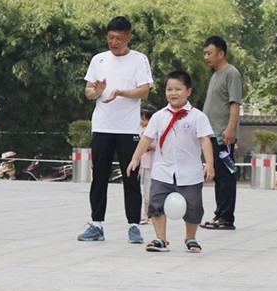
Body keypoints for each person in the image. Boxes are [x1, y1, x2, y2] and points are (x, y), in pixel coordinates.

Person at [78, 16, 153, 243]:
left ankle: (134, 226)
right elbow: (88, 92)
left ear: (129, 37)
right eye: (110, 37)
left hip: (127, 128)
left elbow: (144, 91)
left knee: (130, 176)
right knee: (99, 176)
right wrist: (97, 91)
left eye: (119, 38)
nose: (114, 42)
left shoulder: (139, 60)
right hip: (102, 126)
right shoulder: (98, 60)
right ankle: (97, 225)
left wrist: (121, 92)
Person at [126, 71, 215, 253]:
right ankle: (160, 239)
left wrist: (210, 164)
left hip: (190, 172)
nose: (173, 93)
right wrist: (135, 158)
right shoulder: (159, 116)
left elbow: (205, 140)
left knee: (193, 206)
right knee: (156, 204)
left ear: (188, 91)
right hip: (162, 170)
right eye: (169, 89)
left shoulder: (198, 116)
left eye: (178, 89)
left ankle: (191, 238)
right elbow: (146, 138)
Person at [200, 36, 242, 231]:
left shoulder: (231, 73)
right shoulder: (216, 74)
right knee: (218, 176)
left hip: (223, 136)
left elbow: (235, 104)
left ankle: (226, 218)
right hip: (212, 134)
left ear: (221, 53)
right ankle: (220, 214)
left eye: (209, 53)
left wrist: (230, 129)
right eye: (205, 53)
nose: (206, 57)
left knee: (226, 177)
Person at [138, 104, 157, 225]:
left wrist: (148, 146)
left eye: (146, 119)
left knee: (148, 190)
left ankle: (148, 214)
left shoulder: (155, 131)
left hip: (152, 164)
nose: (143, 122)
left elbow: (157, 145)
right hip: (141, 164)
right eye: (142, 119)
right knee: (142, 190)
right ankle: (144, 214)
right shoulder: (137, 129)